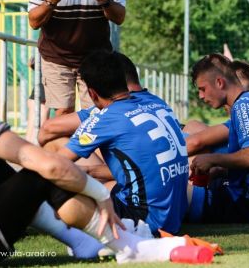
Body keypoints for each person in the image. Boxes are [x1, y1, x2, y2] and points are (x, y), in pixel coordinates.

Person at [0, 35, 185, 266]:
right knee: (43, 171)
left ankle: (84, 242)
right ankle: (128, 246)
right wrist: (101, 194)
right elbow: (51, 166)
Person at [55, 51, 188, 235]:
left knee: (61, 194)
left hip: (144, 222)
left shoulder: (105, 118)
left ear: (92, 93)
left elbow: (56, 164)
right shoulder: (155, 101)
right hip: (174, 218)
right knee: (106, 185)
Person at [187, 54, 249, 223]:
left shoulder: (243, 105)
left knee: (174, 192)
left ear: (219, 82)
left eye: (202, 89)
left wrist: (212, 159)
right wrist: (222, 169)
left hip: (248, 208)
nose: (200, 95)